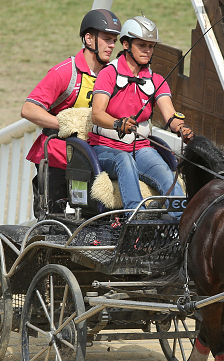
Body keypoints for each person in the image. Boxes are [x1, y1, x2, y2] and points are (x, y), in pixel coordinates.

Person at [89, 15, 193, 219]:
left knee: (166, 175)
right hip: (105, 148)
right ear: (126, 44)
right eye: (142, 45)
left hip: (141, 148)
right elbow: (97, 114)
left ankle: (181, 225)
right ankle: (136, 219)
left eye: (151, 46)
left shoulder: (157, 80)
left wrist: (182, 128)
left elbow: (170, 116)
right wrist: (118, 123)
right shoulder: (108, 74)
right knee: (124, 159)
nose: (148, 50)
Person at [21, 9, 121, 218]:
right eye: (106, 39)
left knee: (93, 224)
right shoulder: (66, 71)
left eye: (114, 40)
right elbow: (28, 109)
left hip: (91, 162)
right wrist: (66, 123)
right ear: (88, 39)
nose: (112, 45)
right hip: (56, 159)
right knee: (50, 224)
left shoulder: (112, 74)